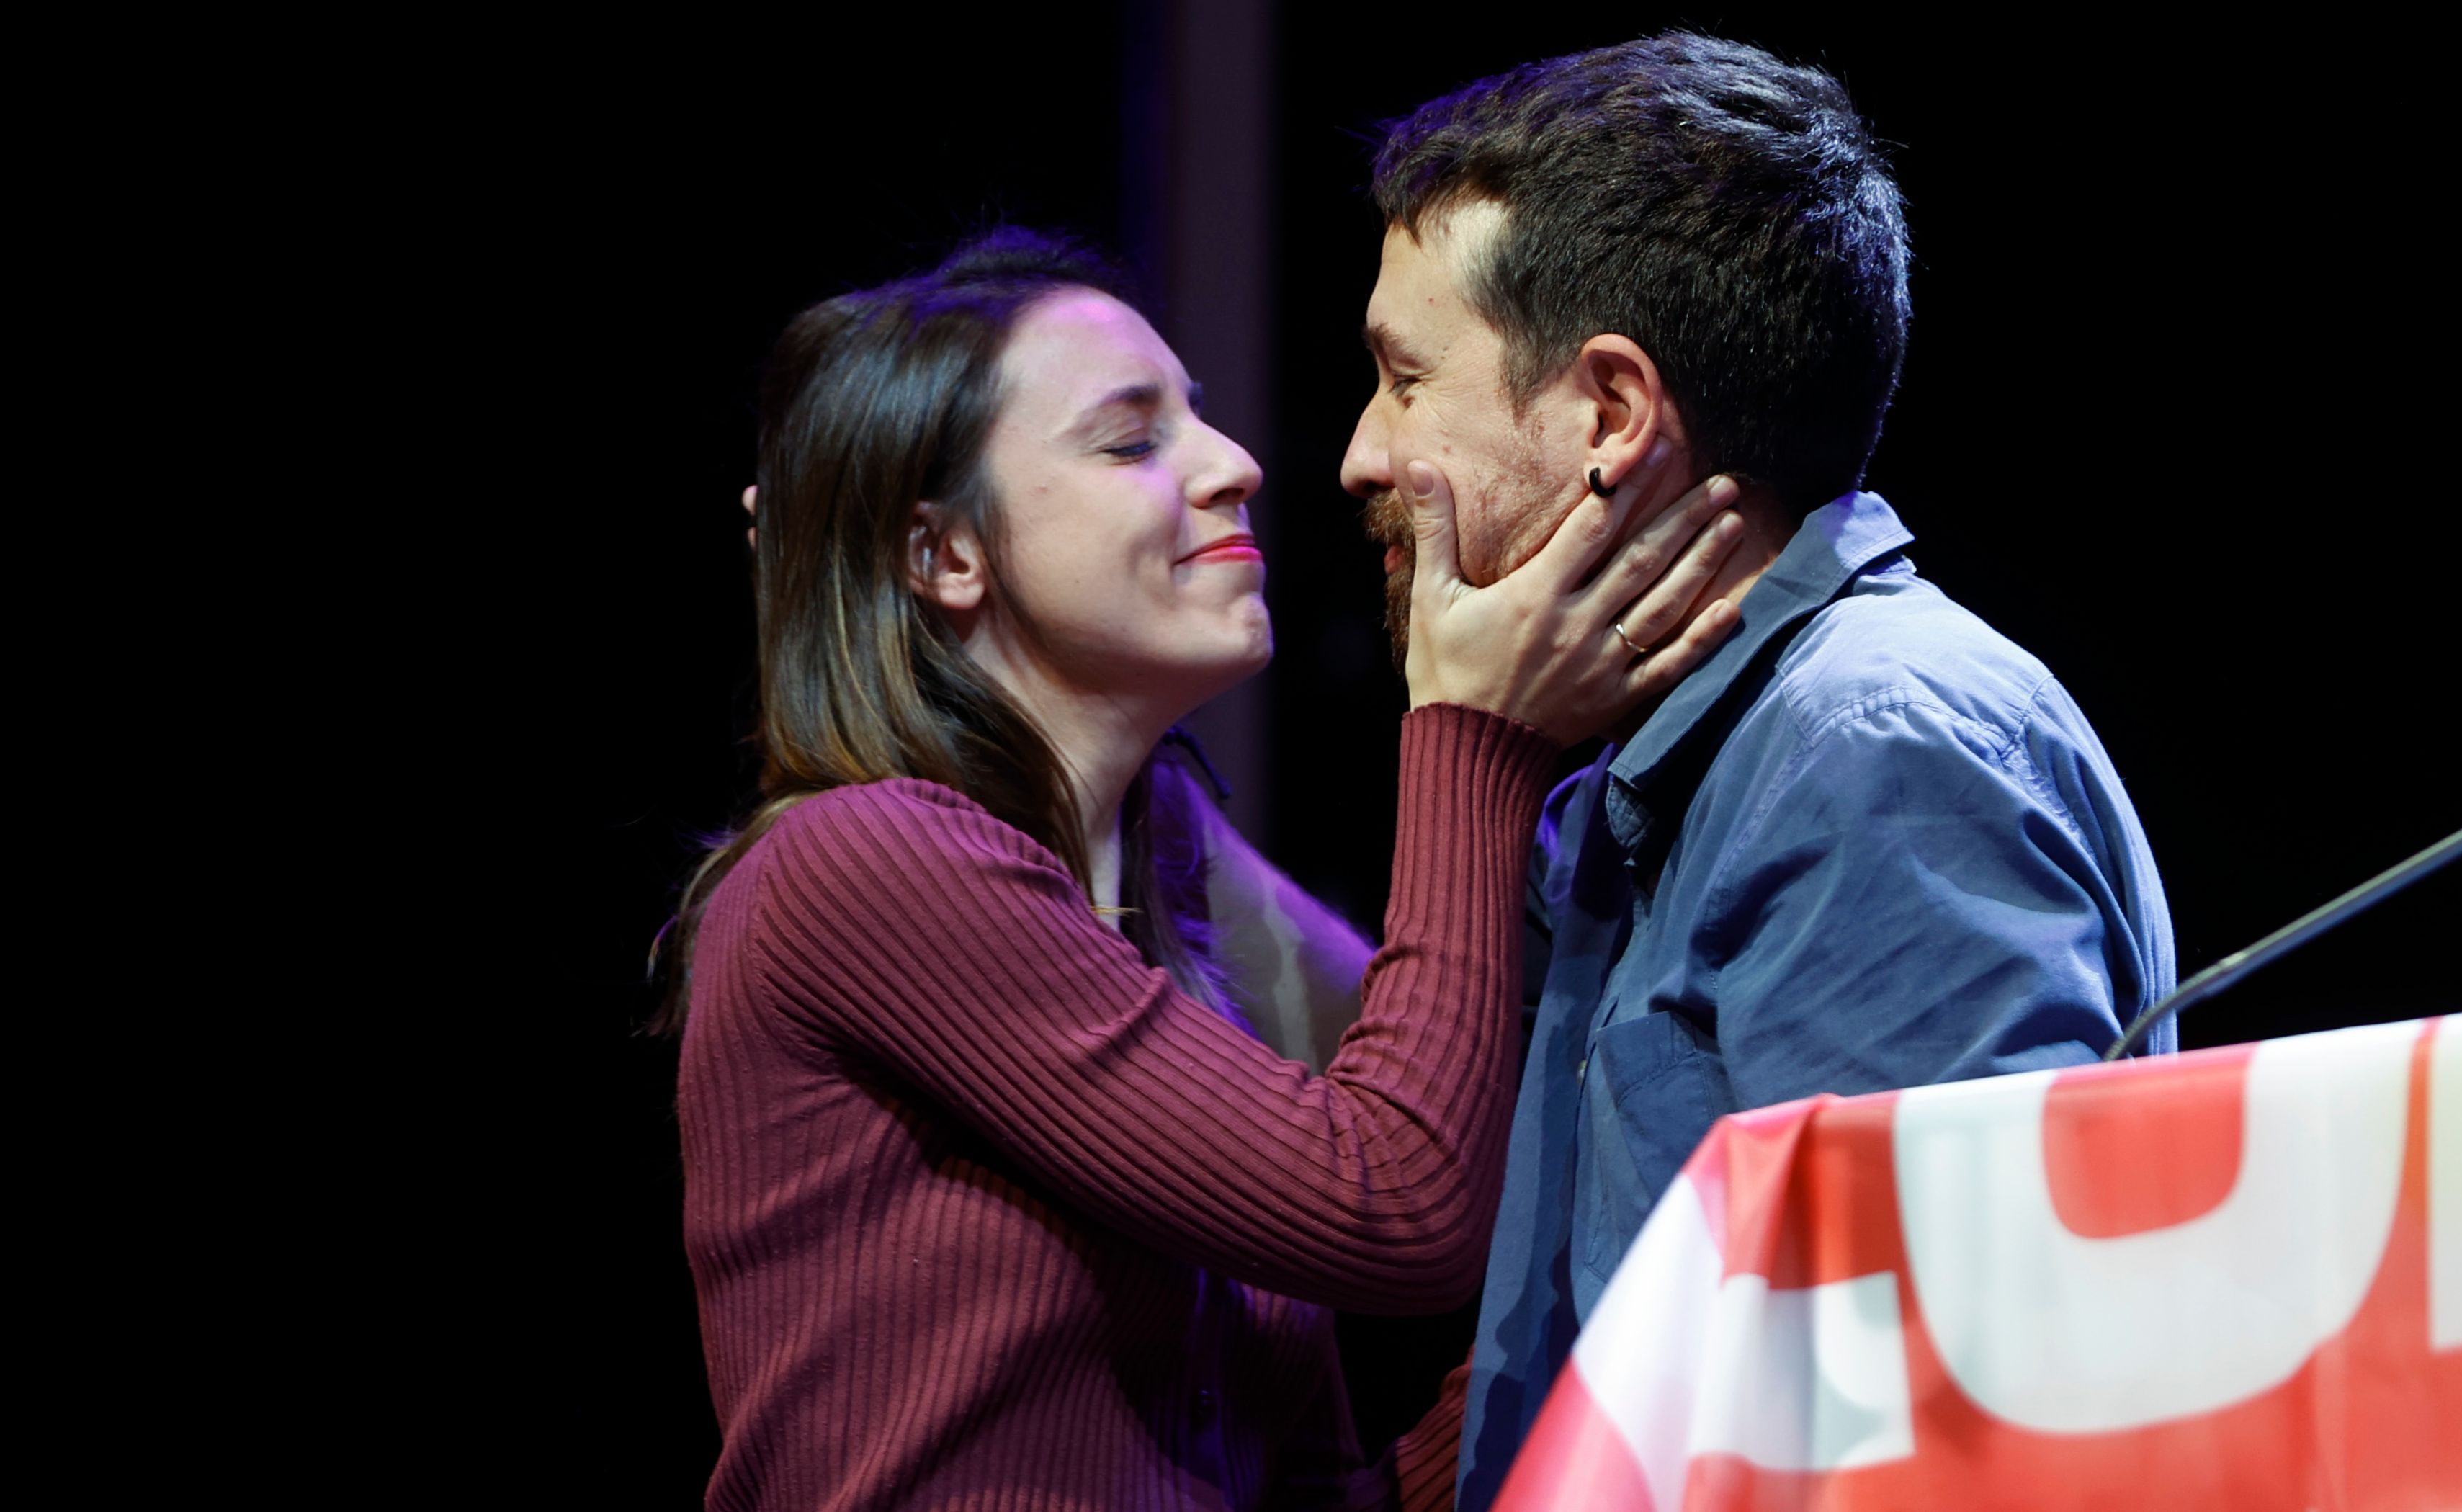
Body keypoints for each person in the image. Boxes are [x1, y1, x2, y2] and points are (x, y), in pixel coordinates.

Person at [661, 227, 1751, 1510]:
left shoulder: (1144, 911)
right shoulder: (866, 865)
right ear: (943, 556)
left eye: (1201, 419)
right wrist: (1474, 734)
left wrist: (1592, 1359)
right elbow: (1395, 1200)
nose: (1236, 467)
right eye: (1131, 441)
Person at [1331, 36, 2180, 1508]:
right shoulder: (1676, 770)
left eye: (1406, 381)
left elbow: (1939, 1437)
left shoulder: (1873, 755)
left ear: (1608, 415)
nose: (1360, 453)